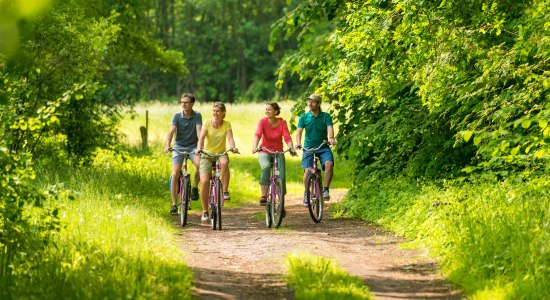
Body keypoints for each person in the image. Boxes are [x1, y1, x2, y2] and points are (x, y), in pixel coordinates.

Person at [195, 102, 238, 222]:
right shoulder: (207, 123)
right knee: (204, 182)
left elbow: (230, 138)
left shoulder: (227, 124)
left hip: (221, 154)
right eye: (214, 111)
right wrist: (199, 148)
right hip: (207, 155)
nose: (215, 113)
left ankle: (224, 191)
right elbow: (202, 138)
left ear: (223, 113)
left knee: (224, 163)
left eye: (218, 111)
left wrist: (233, 147)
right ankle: (205, 211)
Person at [252, 102, 297, 206]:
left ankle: (281, 201)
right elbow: (257, 134)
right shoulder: (262, 122)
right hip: (265, 151)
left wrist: (291, 148)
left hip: (278, 152)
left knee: (281, 176)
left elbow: (287, 137)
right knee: (266, 167)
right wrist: (255, 146)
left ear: (276, 111)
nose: (267, 111)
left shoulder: (282, 122)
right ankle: (264, 196)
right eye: (266, 109)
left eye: (269, 109)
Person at [295, 94, 336, 206]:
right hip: (308, 148)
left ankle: (325, 190)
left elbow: (330, 128)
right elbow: (299, 131)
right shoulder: (304, 117)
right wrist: (298, 143)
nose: (310, 104)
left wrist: (331, 138)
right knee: (308, 170)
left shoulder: (326, 116)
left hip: (323, 147)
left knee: (329, 164)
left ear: (318, 104)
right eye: (309, 101)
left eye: (313, 102)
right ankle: (307, 193)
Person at [164, 93, 203, 215]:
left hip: (193, 147)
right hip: (179, 147)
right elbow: (171, 131)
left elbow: (199, 132)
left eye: (186, 102)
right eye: (182, 102)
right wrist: (167, 145)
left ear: (192, 104)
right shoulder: (176, 115)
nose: (184, 104)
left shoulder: (197, 115)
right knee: (175, 173)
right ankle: (174, 204)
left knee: (200, 166)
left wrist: (200, 147)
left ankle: (195, 187)